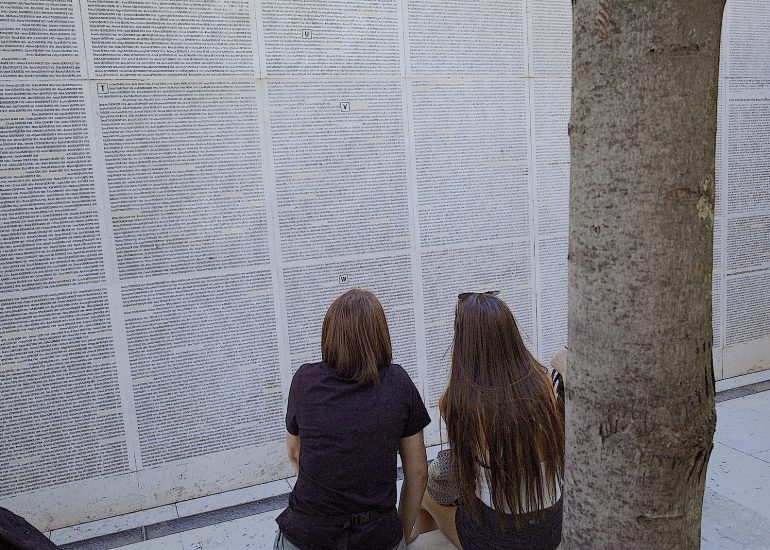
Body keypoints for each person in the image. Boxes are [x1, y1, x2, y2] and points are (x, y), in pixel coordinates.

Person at [274, 289, 431, 550]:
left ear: (330, 334)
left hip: (306, 534)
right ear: (380, 335)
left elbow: (294, 452)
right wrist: (400, 532)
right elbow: (418, 471)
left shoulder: (304, 380)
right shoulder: (398, 383)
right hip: (376, 536)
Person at [416, 291, 566, 549]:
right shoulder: (546, 384)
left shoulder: (456, 403)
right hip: (551, 531)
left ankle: (410, 534)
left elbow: (459, 474)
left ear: (463, 343)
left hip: (494, 540)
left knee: (427, 495)